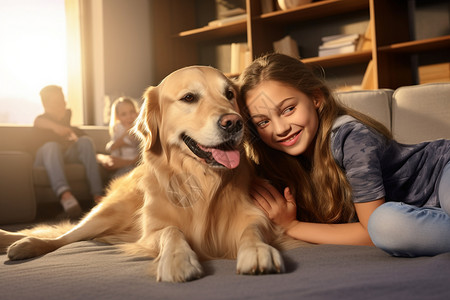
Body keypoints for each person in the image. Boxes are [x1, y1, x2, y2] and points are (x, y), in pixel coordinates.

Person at [237, 53, 450, 257]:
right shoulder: (277, 163)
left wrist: (292, 226)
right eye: (263, 122)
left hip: (444, 170)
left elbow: (369, 233)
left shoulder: (352, 138)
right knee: (388, 224)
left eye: (288, 109)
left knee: (381, 224)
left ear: (316, 98)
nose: (280, 128)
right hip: (415, 215)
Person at [33, 85, 103, 218]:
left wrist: (102, 157)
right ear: (46, 105)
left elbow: (88, 147)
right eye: (58, 102)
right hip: (44, 159)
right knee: (51, 146)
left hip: (66, 156)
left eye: (63, 100)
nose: (63, 104)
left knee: (85, 141)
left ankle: (98, 198)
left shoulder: (69, 124)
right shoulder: (42, 121)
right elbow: (38, 121)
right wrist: (57, 128)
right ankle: (66, 197)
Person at [98, 97, 140, 179]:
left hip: (137, 163)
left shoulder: (140, 128)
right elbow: (112, 147)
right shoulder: (118, 128)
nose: (129, 116)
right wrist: (125, 133)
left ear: (137, 112)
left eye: (132, 112)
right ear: (117, 117)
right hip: (122, 165)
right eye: (124, 114)